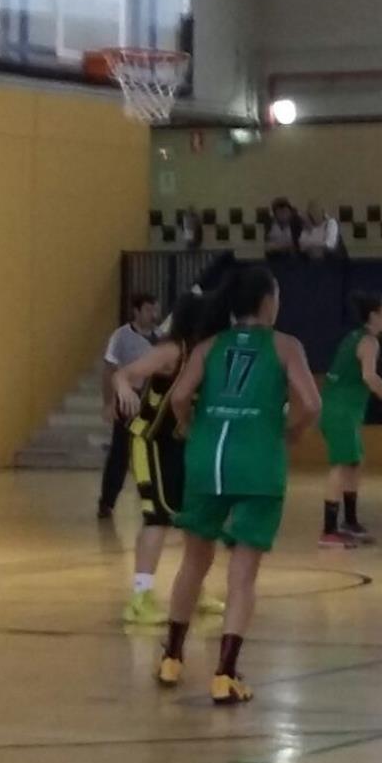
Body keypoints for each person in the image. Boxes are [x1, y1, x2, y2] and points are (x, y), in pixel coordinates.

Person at [158, 267, 322, 704]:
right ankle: (224, 674)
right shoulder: (286, 346)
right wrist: (290, 433)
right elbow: (311, 403)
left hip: (206, 459)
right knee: (243, 574)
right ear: (268, 302)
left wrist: (191, 428)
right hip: (258, 461)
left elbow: (177, 397)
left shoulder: (210, 346)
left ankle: (172, 658)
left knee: (193, 562)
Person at [110, 294, 223, 625]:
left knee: (192, 516)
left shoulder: (204, 355)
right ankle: (140, 597)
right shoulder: (171, 351)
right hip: (150, 441)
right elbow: (123, 374)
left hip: (179, 444)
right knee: (157, 517)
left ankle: (193, 587)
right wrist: (124, 390)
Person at [317, 292, 382, 548]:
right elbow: (369, 376)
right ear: (374, 316)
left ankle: (350, 522)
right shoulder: (368, 342)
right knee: (341, 465)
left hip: (341, 409)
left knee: (354, 462)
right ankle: (329, 531)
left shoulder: (355, 337)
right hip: (340, 410)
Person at [100, 293, 162, 519]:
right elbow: (109, 369)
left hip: (151, 399)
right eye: (148, 309)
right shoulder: (121, 336)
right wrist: (109, 402)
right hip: (127, 398)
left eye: (155, 309)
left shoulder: (160, 337)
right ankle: (107, 501)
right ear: (136, 311)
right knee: (120, 451)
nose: (153, 314)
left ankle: (156, 500)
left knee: (152, 451)